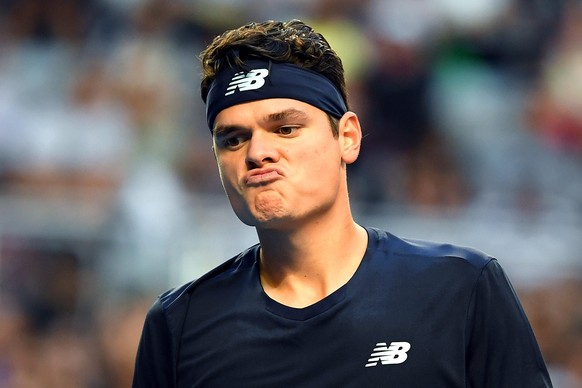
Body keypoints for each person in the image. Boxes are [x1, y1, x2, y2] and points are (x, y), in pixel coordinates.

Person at [132, 19, 552, 387]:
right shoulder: (179, 324)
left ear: (347, 137)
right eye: (233, 138)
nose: (257, 152)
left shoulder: (462, 288)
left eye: (286, 128)